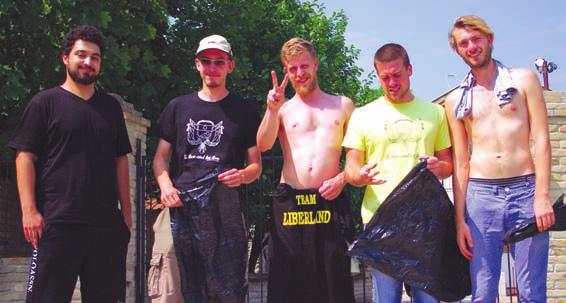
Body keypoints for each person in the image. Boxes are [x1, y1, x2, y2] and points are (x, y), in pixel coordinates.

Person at [8, 25, 132, 302]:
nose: (88, 62)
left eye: (95, 57)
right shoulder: (45, 103)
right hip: (56, 224)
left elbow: (120, 159)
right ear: (66, 57)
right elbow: (24, 156)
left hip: (105, 228)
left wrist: (126, 215)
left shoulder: (110, 108)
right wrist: (29, 211)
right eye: (81, 54)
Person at [445, 15, 554, 302]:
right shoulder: (456, 100)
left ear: (489, 39)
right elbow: (460, 162)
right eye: (463, 43)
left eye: (476, 39)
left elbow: (542, 140)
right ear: (457, 50)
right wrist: (460, 222)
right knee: (483, 290)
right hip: (481, 198)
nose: (471, 46)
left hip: (526, 191)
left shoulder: (524, 80)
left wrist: (542, 196)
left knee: (532, 291)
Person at [153, 34, 261, 303]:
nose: (212, 67)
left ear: (230, 66)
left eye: (219, 61)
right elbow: (160, 159)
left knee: (225, 287)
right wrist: (166, 186)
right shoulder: (177, 107)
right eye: (206, 61)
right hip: (179, 207)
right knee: (170, 285)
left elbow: (256, 166)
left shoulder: (244, 111)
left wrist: (242, 175)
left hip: (225, 211)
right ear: (197, 65)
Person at [343, 43, 453, 303]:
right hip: (380, 219)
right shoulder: (362, 115)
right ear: (378, 75)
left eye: (397, 75)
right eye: (385, 77)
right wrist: (360, 176)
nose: (391, 82)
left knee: (428, 299)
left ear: (410, 70)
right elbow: (350, 169)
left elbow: (448, 166)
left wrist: (439, 167)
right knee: (386, 299)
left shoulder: (436, 113)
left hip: (424, 220)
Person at [257, 37, 356, 303]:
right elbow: (263, 145)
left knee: (333, 279)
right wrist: (271, 109)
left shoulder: (343, 105)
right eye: (293, 68)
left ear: (315, 64)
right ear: (286, 71)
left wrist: (343, 178)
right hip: (291, 201)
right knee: (287, 281)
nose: (300, 74)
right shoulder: (283, 109)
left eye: (304, 66)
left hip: (328, 200)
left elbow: (357, 157)